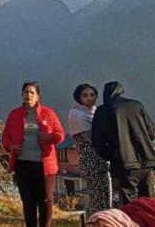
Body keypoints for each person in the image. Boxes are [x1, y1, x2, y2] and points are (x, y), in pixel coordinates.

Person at [2, 81, 64, 227]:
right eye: (26, 92)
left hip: (44, 166)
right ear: (21, 95)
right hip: (22, 164)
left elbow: (60, 134)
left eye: (32, 92)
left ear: (38, 96)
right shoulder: (15, 114)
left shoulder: (48, 113)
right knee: (28, 202)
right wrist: (10, 146)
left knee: (46, 201)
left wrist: (48, 137)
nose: (28, 95)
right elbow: (5, 137)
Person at [92, 81, 155, 205]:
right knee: (150, 203)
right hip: (146, 162)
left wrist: (111, 155)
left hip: (123, 164)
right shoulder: (137, 105)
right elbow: (151, 133)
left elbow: (97, 141)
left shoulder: (103, 111)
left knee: (126, 205)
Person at [67, 83, 110, 216]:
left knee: (106, 197)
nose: (89, 98)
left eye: (92, 95)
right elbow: (92, 138)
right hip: (91, 161)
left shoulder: (96, 113)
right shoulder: (76, 114)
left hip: (102, 160)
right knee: (97, 198)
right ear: (78, 98)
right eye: (85, 95)